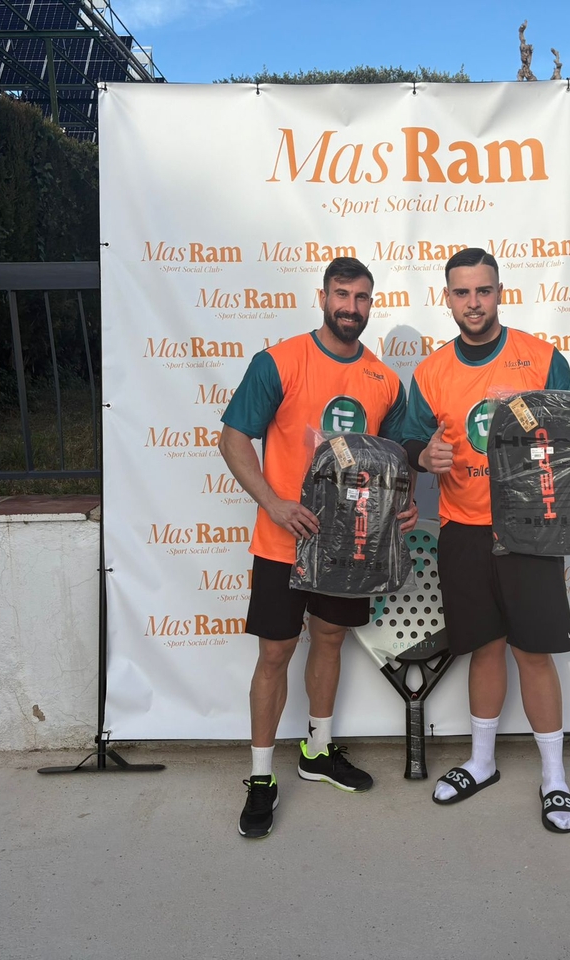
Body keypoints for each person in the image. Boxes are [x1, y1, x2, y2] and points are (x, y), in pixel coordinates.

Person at [402, 248, 570, 834]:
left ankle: (554, 777)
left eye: (483, 290)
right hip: (463, 530)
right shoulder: (431, 372)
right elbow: (407, 442)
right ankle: (482, 762)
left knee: (533, 654)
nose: (473, 303)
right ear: (447, 299)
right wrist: (423, 455)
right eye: (462, 293)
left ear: (500, 292)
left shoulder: (541, 358)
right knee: (484, 649)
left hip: (531, 529)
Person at [220, 257, 417, 839]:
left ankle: (317, 751)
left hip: (350, 547)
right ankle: (261, 777)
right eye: (341, 294)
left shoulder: (384, 380)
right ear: (323, 296)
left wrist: (404, 506)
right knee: (275, 654)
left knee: (330, 639)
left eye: (361, 297)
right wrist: (273, 503)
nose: (350, 307)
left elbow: (395, 462)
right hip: (286, 540)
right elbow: (232, 439)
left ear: (370, 304)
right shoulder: (278, 362)